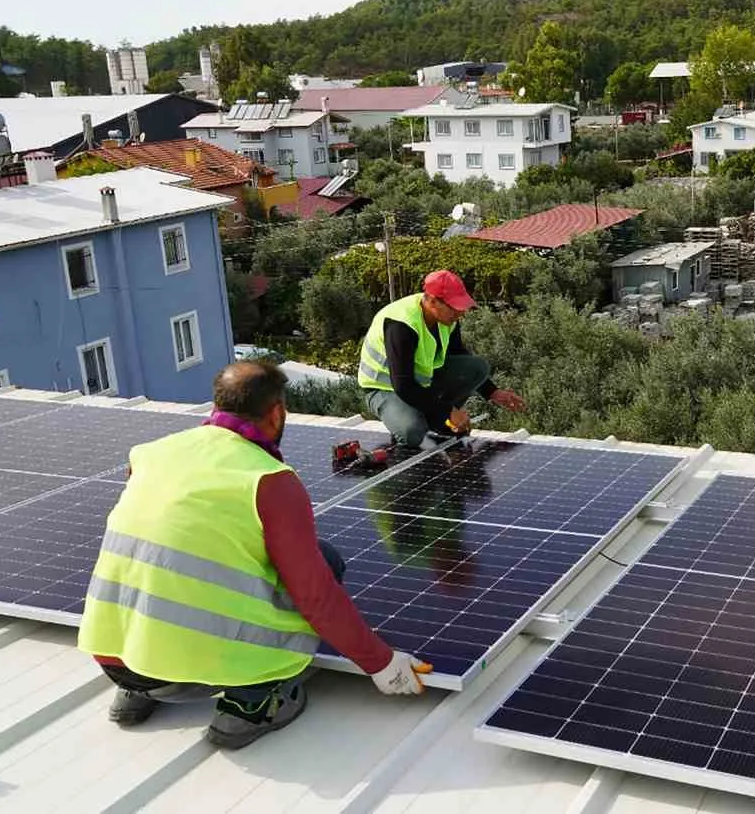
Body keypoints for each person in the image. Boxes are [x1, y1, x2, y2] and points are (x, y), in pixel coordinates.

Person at [77, 361, 433, 749]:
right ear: (278, 412)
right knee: (325, 562)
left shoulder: (149, 454)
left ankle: (137, 691)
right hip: (189, 675)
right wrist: (380, 663)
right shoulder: (270, 481)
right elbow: (316, 596)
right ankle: (249, 705)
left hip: (113, 659)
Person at [358, 270, 526, 448]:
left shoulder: (447, 319)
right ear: (432, 301)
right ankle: (418, 423)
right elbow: (403, 385)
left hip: (421, 383)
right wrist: (447, 411)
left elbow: (458, 353)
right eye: (454, 308)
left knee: (477, 368)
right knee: (412, 431)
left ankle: (437, 422)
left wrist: (492, 392)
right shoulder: (401, 324)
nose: (459, 314)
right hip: (384, 389)